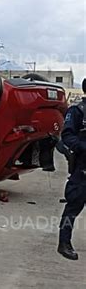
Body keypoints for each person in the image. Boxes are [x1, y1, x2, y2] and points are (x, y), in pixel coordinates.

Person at [57, 78, 86, 261]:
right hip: (82, 171)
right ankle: (64, 243)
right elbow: (67, 136)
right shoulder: (78, 112)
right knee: (72, 208)